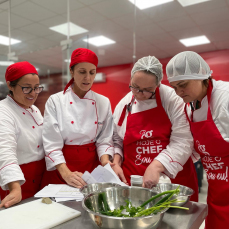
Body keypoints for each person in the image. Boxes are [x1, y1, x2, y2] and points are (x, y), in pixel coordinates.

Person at [112, 56, 198, 201]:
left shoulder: (172, 99)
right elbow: (117, 139)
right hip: (134, 183)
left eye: (148, 90)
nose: (140, 93)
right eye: (135, 87)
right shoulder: (125, 103)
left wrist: (157, 167)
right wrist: (116, 160)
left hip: (171, 183)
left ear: (158, 84)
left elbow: (183, 140)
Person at [166, 51, 229, 229]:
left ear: (201, 76)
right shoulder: (190, 108)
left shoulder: (225, 98)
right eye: (174, 87)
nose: (178, 92)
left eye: (182, 85)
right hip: (217, 193)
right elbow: (194, 149)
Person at [41, 48, 114, 189]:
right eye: (82, 72)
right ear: (72, 71)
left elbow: (105, 139)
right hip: (62, 167)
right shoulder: (55, 100)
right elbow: (52, 144)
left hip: (92, 167)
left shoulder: (103, 102)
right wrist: (66, 174)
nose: (87, 77)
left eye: (92, 72)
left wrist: (105, 162)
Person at [0, 61, 45, 208]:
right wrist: (14, 187)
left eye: (37, 88)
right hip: (18, 181)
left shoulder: (35, 110)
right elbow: (4, 150)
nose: (33, 94)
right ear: (10, 85)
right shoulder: (3, 111)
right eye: (26, 88)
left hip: (40, 178)